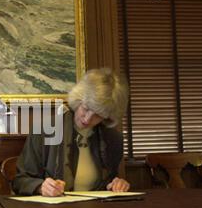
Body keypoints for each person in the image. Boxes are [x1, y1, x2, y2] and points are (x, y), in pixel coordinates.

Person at [12, 68, 130, 196]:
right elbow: (20, 181)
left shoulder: (112, 139)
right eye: (86, 108)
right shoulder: (44, 129)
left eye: (98, 115)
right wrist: (41, 187)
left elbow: (109, 180)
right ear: (78, 99)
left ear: (107, 116)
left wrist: (116, 184)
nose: (87, 119)